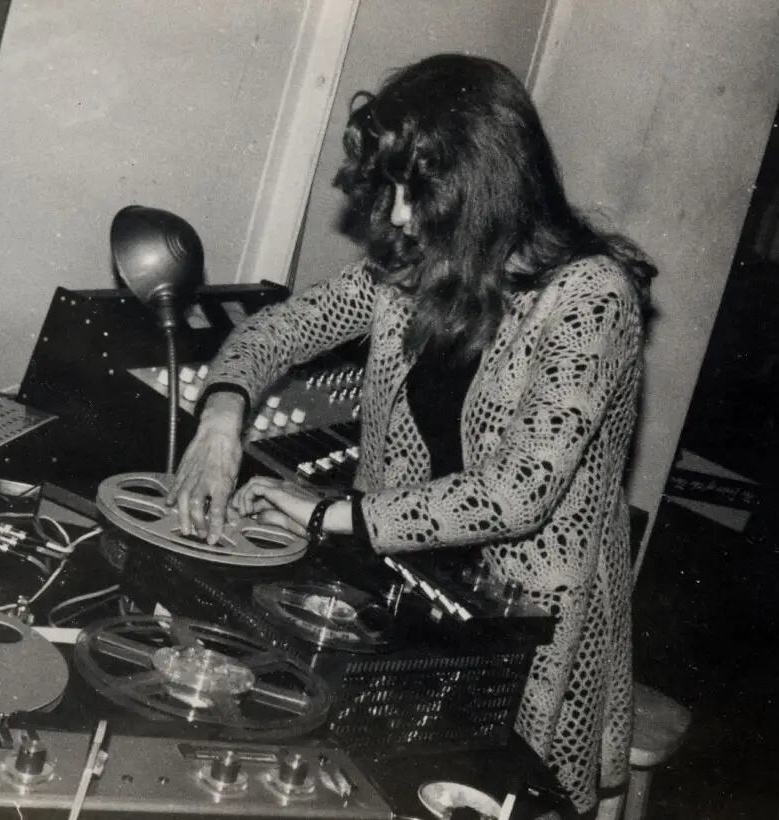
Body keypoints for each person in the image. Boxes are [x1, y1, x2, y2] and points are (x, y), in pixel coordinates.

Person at [167, 54, 657, 816]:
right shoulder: (419, 265)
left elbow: (516, 493)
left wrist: (330, 515)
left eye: (413, 192)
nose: (395, 216)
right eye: (390, 190)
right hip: (408, 583)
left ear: (480, 183)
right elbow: (281, 328)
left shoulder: (592, 296)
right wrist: (222, 418)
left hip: (527, 629)